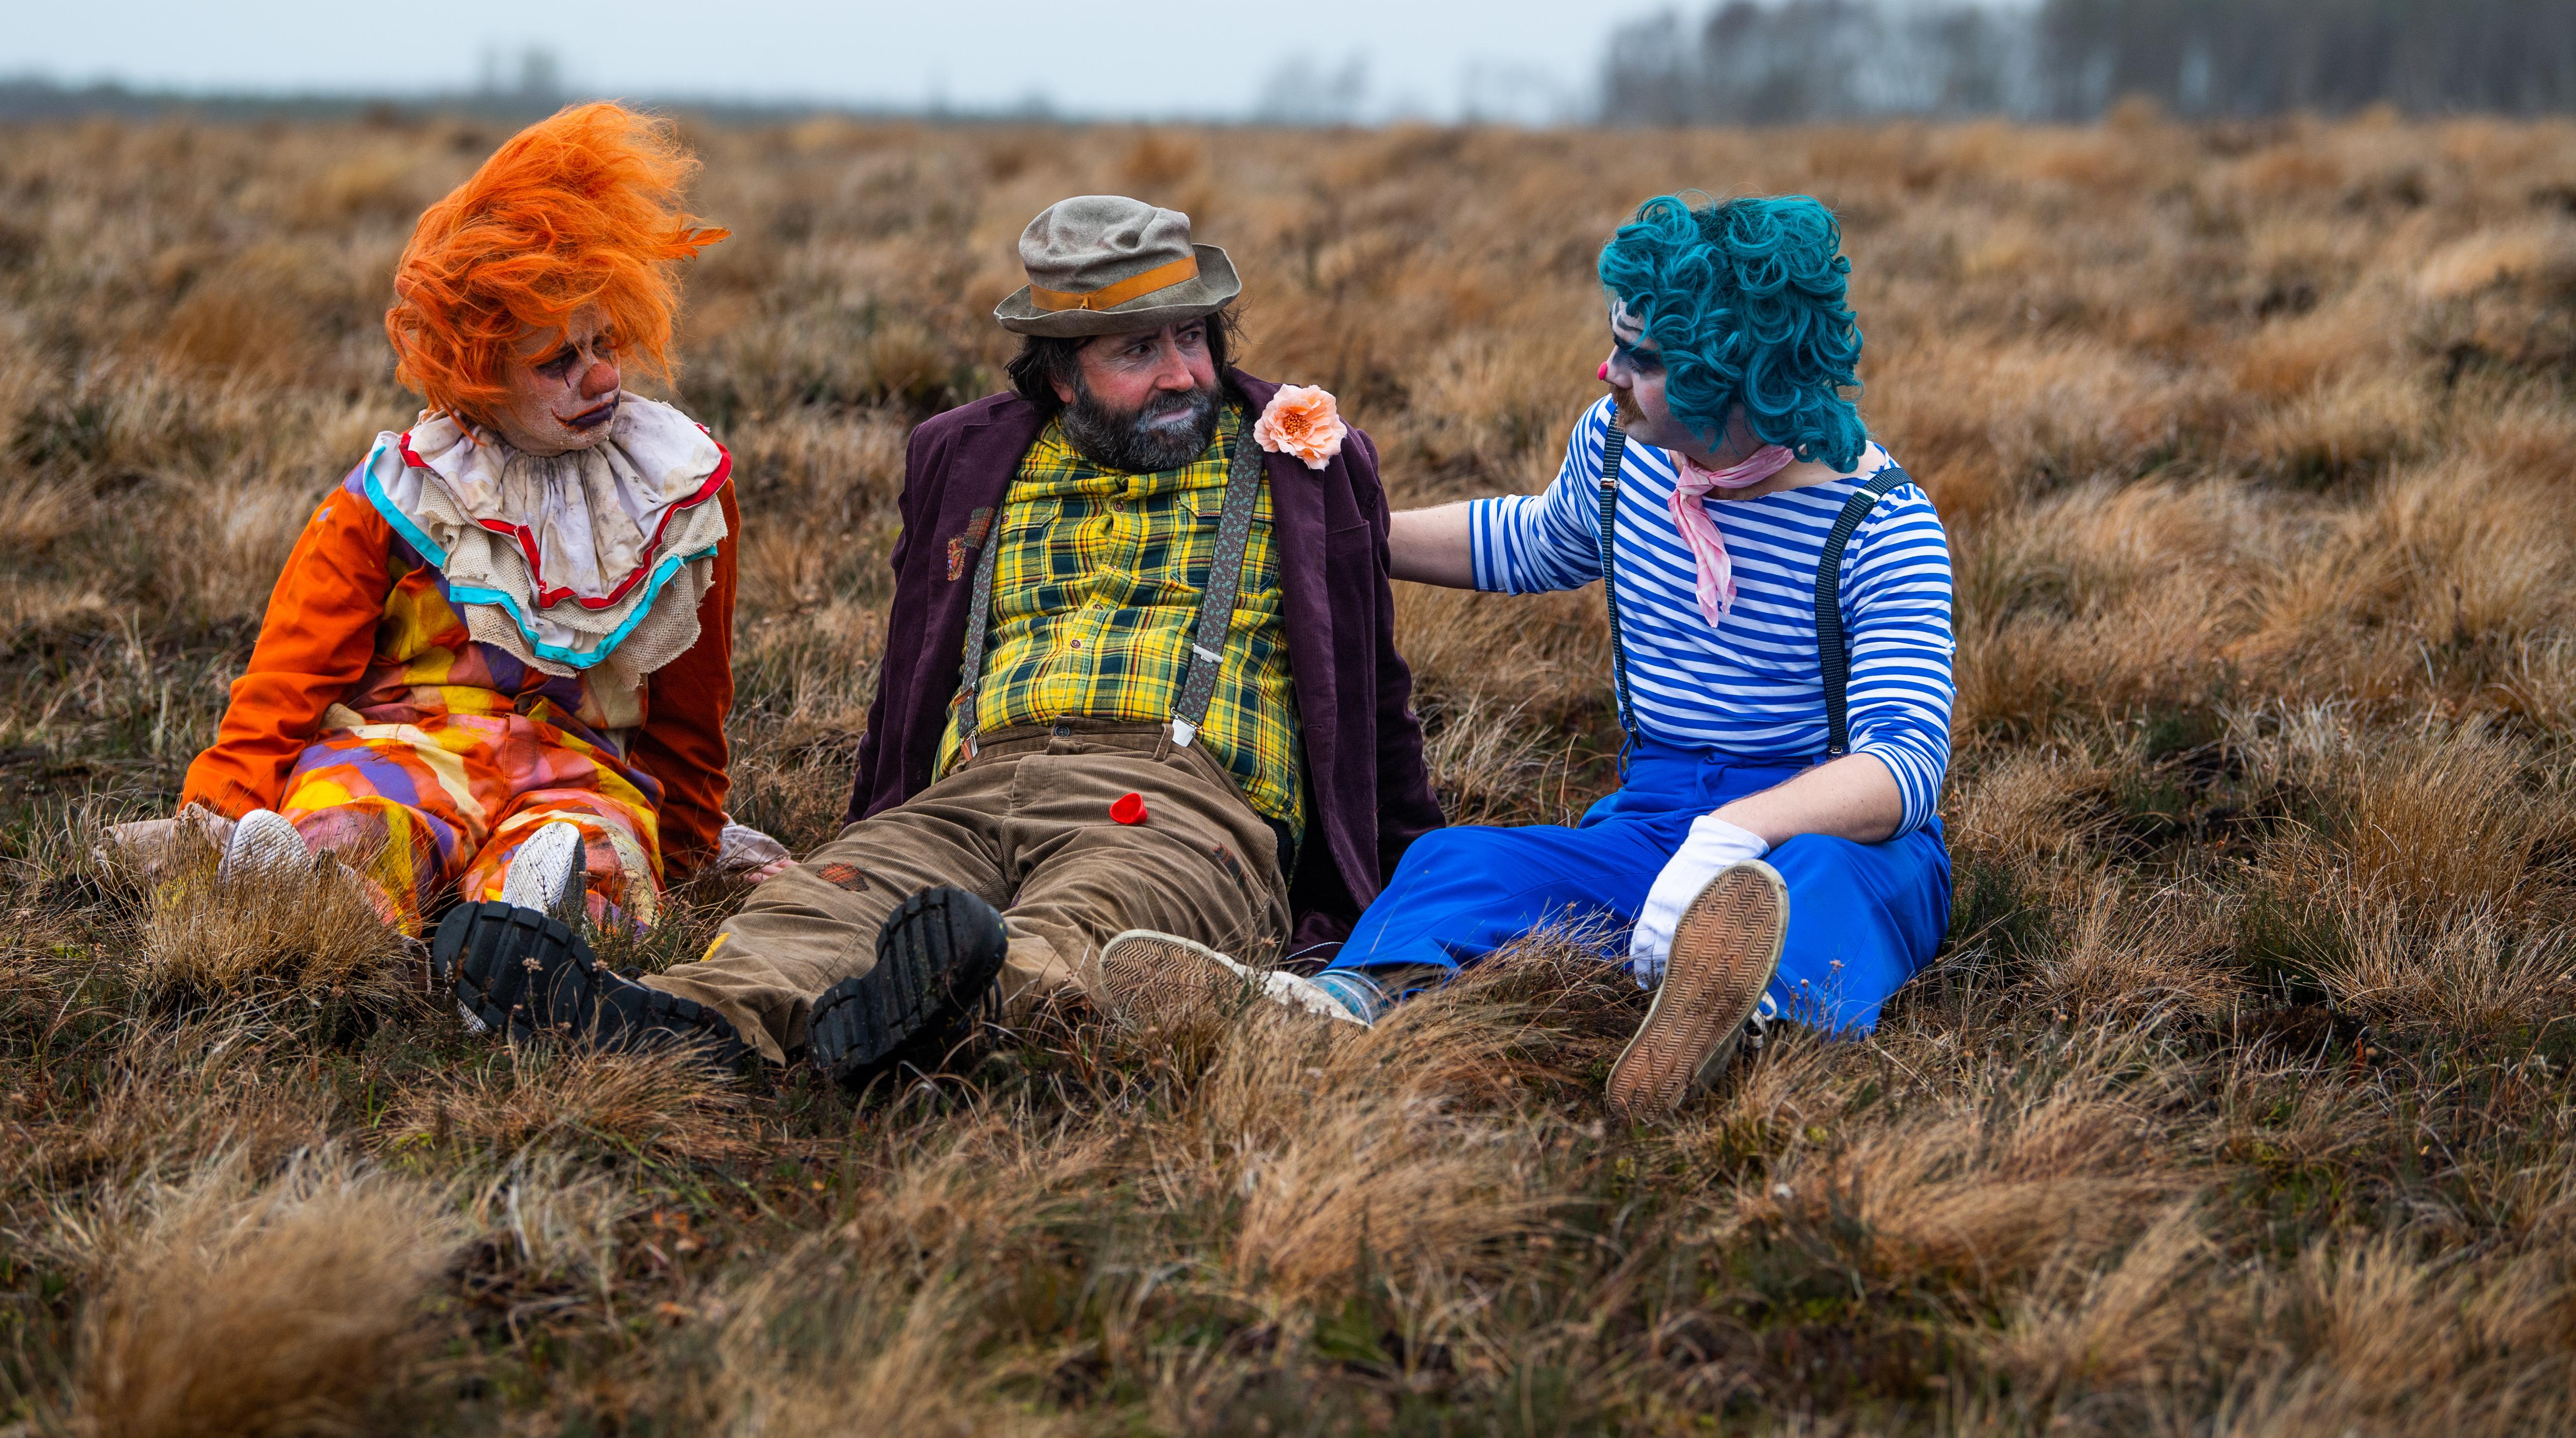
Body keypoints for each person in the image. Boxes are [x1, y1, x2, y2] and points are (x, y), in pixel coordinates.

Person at [433, 195, 1444, 1080]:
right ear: (1061, 374)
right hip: (972, 788)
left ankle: (957, 1021)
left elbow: (1371, 684)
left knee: (1093, 922)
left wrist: (1415, 883)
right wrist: (887, 810)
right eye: (1141, 350)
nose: (1186, 375)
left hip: (1181, 801)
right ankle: (668, 1024)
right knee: (827, 904)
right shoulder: (968, 458)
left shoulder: (1296, 458)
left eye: (1195, 337)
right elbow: (910, 666)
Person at [1103, 194, 1955, 1121]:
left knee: (1830, 893)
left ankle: (1743, 1020)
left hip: (1827, 828)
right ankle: (1336, 1007)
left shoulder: (1881, 523)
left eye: (1645, 359)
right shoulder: (1622, 452)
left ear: (1739, 374)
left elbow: (1903, 769)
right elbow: (1530, 542)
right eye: (1617, 343)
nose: (1610, 371)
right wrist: (1342, 537)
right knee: (1458, 863)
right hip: (1649, 823)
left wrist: (1739, 837)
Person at [139, 102, 768, 1050]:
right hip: (406, 743)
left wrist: (681, 842)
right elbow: (288, 676)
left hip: (579, 763)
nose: (597, 378)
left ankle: (532, 944)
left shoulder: (673, 490)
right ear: (476, 371)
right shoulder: (397, 494)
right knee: (356, 823)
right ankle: (303, 902)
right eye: (556, 361)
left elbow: (693, 699)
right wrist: (220, 813)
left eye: (607, 343)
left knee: (592, 853)